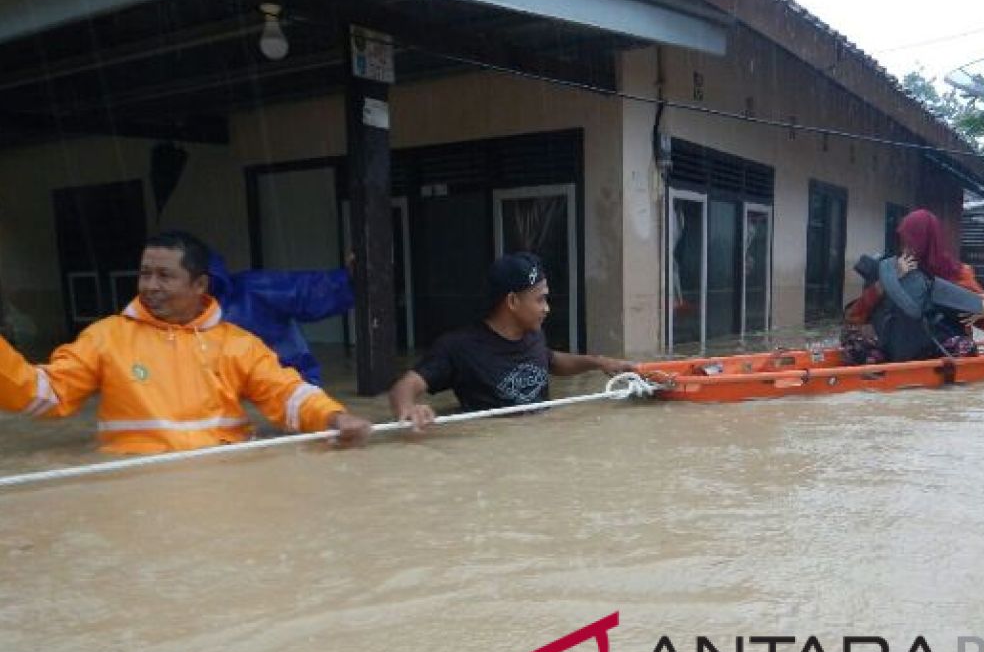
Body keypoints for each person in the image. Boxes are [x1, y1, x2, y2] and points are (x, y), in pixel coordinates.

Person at [0, 231, 372, 453]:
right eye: (145, 274)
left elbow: (287, 393)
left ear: (199, 286)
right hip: (135, 481)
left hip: (225, 477)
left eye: (165, 276)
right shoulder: (105, 337)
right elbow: (44, 394)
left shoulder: (237, 344)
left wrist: (334, 416)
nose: (150, 286)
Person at [389, 252, 634, 430]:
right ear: (513, 302)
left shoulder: (534, 335)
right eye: (540, 300)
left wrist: (599, 362)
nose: (547, 308)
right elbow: (405, 385)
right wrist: (408, 409)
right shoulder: (458, 348)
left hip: (541, 442)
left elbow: (550, 360)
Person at [843, 208, 984, 363]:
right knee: (852, 340)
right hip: (892, 347)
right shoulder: (890, 268)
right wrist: (889, 281)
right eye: (903, 242)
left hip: (936, 347)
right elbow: (854, 315)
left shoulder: (955, 272)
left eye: (911, 243)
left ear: (926, 242)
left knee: (965, 347)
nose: (906, 249)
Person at [207, 251, 354, 385]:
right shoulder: (188, 321)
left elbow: (308, 292)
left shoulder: (251, 290)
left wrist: (351, 278)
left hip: (287, 390)